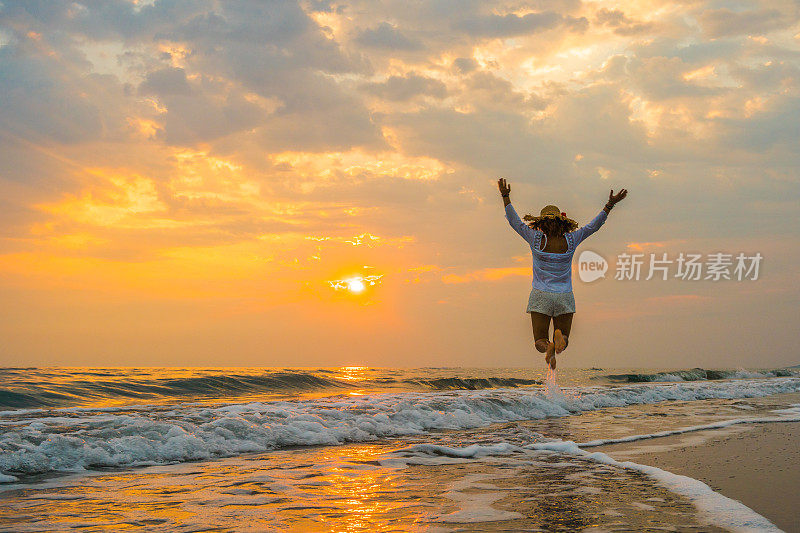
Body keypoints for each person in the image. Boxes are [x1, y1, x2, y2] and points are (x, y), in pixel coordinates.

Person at [498, 178, 627, 369]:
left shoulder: (535, 238)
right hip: (564, 295)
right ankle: (559, 340)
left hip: (540, 294)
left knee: (538, 341)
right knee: (565, 338)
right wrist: (609, 205)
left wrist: (505, 196)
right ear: (562, 222)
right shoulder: (571, 239)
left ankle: (548, 345)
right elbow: (593, 226)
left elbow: (515, 222)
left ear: (541, 222)